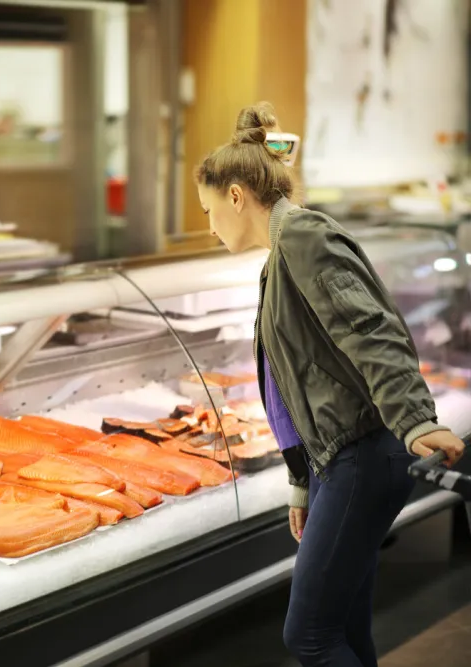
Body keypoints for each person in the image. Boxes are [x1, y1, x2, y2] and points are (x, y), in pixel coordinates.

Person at [195, 102, 466, 667]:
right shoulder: (280, 254)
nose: (208, 224)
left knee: (310, 635)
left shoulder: (302, 237)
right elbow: (293, 381)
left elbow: (371, 330)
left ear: (237, 196)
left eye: (208, 209)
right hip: (338, 459)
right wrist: (302, 479)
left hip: (364, 455)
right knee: (343, 626)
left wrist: (415, 418)